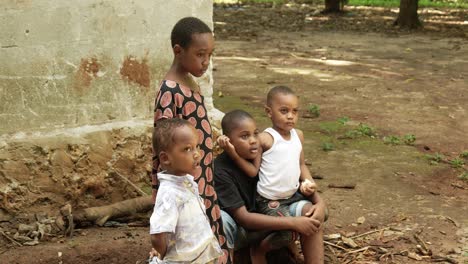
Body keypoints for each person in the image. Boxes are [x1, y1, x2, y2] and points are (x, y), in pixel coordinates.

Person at [151, 17, 229, 263]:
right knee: (189, 245)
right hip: (185, 187)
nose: (206, 62)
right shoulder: (169, 92)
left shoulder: (190, 82)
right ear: (178, 50)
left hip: (202, 181)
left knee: (211, 241)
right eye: (200, 54)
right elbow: (163, 147)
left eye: (210, 55)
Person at [214, 110, 327, 264]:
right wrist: (294, 223)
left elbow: (295, 177)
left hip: (271, 219)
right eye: (244, 136)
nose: (254, 140)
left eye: (256, 133)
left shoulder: (264, 153)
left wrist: (319, 203)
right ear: (228, 140)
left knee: (311, 214)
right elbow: (244, 218)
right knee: (222, 220)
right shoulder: (220, 170)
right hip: (241, 231)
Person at [150, 118, 222, 263]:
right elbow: (157, 234)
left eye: (197, 147)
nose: (196, 154)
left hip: (201, 257)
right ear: (165, 158)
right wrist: (165, 255)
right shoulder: (170, 193)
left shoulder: (186, 182)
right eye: (187, 149)